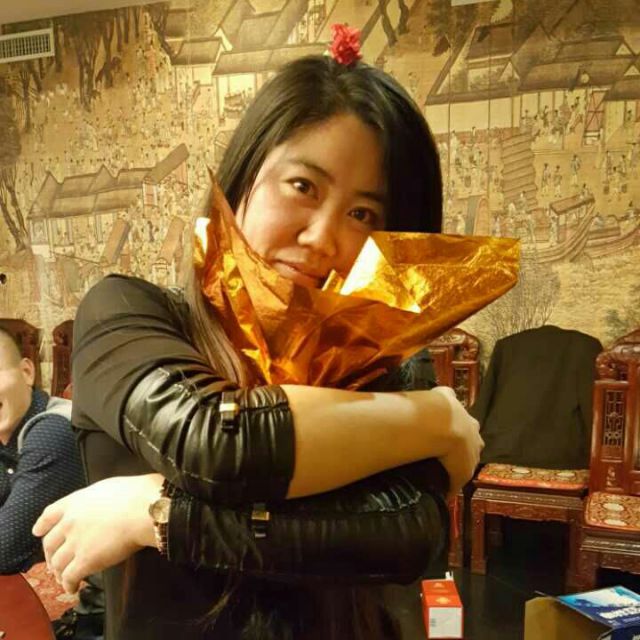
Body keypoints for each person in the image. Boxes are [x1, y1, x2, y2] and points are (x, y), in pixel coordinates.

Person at [34, 50, 482, 640]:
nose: (322, 237)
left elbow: (408, 535)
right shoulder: (128, 314)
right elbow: (214, 441)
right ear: (242, 179)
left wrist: (154, 511)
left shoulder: (387, 362)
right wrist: (436, 419)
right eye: (303, 186)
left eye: (362, 213)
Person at [0, 329, 104, 639]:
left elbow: (5, 551)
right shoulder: (8, 435)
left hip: (128, 608)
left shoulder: (53, 431)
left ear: (27, 372)